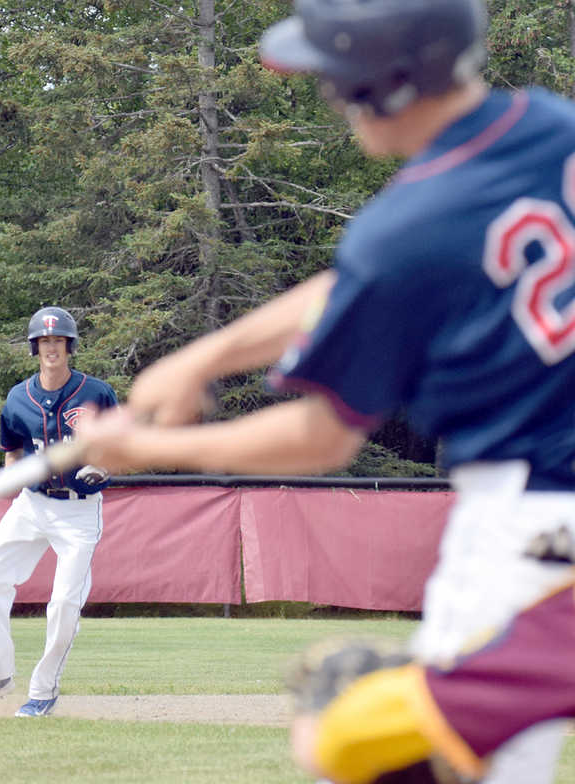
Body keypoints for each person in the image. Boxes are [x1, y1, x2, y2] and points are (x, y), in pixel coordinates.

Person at [76, 0, 575, 781]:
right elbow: (363, 284)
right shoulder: (552, 127)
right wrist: (203, 358)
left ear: (389, 90)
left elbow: (325, 434)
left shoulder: (406, 225)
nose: (331, 99)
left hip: (528, 532)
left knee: (373, 750)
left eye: (336, 82)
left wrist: (145, 446)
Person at [0, 306, 118, 718]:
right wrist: (8, 484)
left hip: (79, 512)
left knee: (63, 603)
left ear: (69, 346)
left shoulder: (96, 393)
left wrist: (106, 464)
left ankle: (43, 690)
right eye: (44, 341)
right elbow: (13, 456)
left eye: (58, 340)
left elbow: (121, 446)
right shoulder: (18, 398)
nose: (51, 348)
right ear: (35, 347)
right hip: (33, 503)